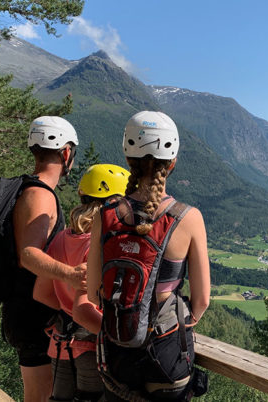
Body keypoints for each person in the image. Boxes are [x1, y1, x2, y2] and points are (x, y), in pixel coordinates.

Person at [87, 111, 210, 401]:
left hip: (117, 349)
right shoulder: (188, 218)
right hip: (166, 353)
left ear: (129, 160)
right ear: (173, 163)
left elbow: (94, 293)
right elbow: (201, 301)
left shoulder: (104, 216)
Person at [4, 116, 86, 402]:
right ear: (66, 153)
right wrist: (71, 274)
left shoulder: (26, 188)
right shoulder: (40, 195)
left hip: (21, 307)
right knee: (40, 396)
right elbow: (29, 255)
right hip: (32, 313)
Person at [33, 164, 130, 402]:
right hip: (91, 346)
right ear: (115, 202)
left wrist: (65, 311)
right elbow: (82, 310)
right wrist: (120, 342)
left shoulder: (62, 237)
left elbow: (41, 293)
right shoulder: (98, 245)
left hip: (60, 342)